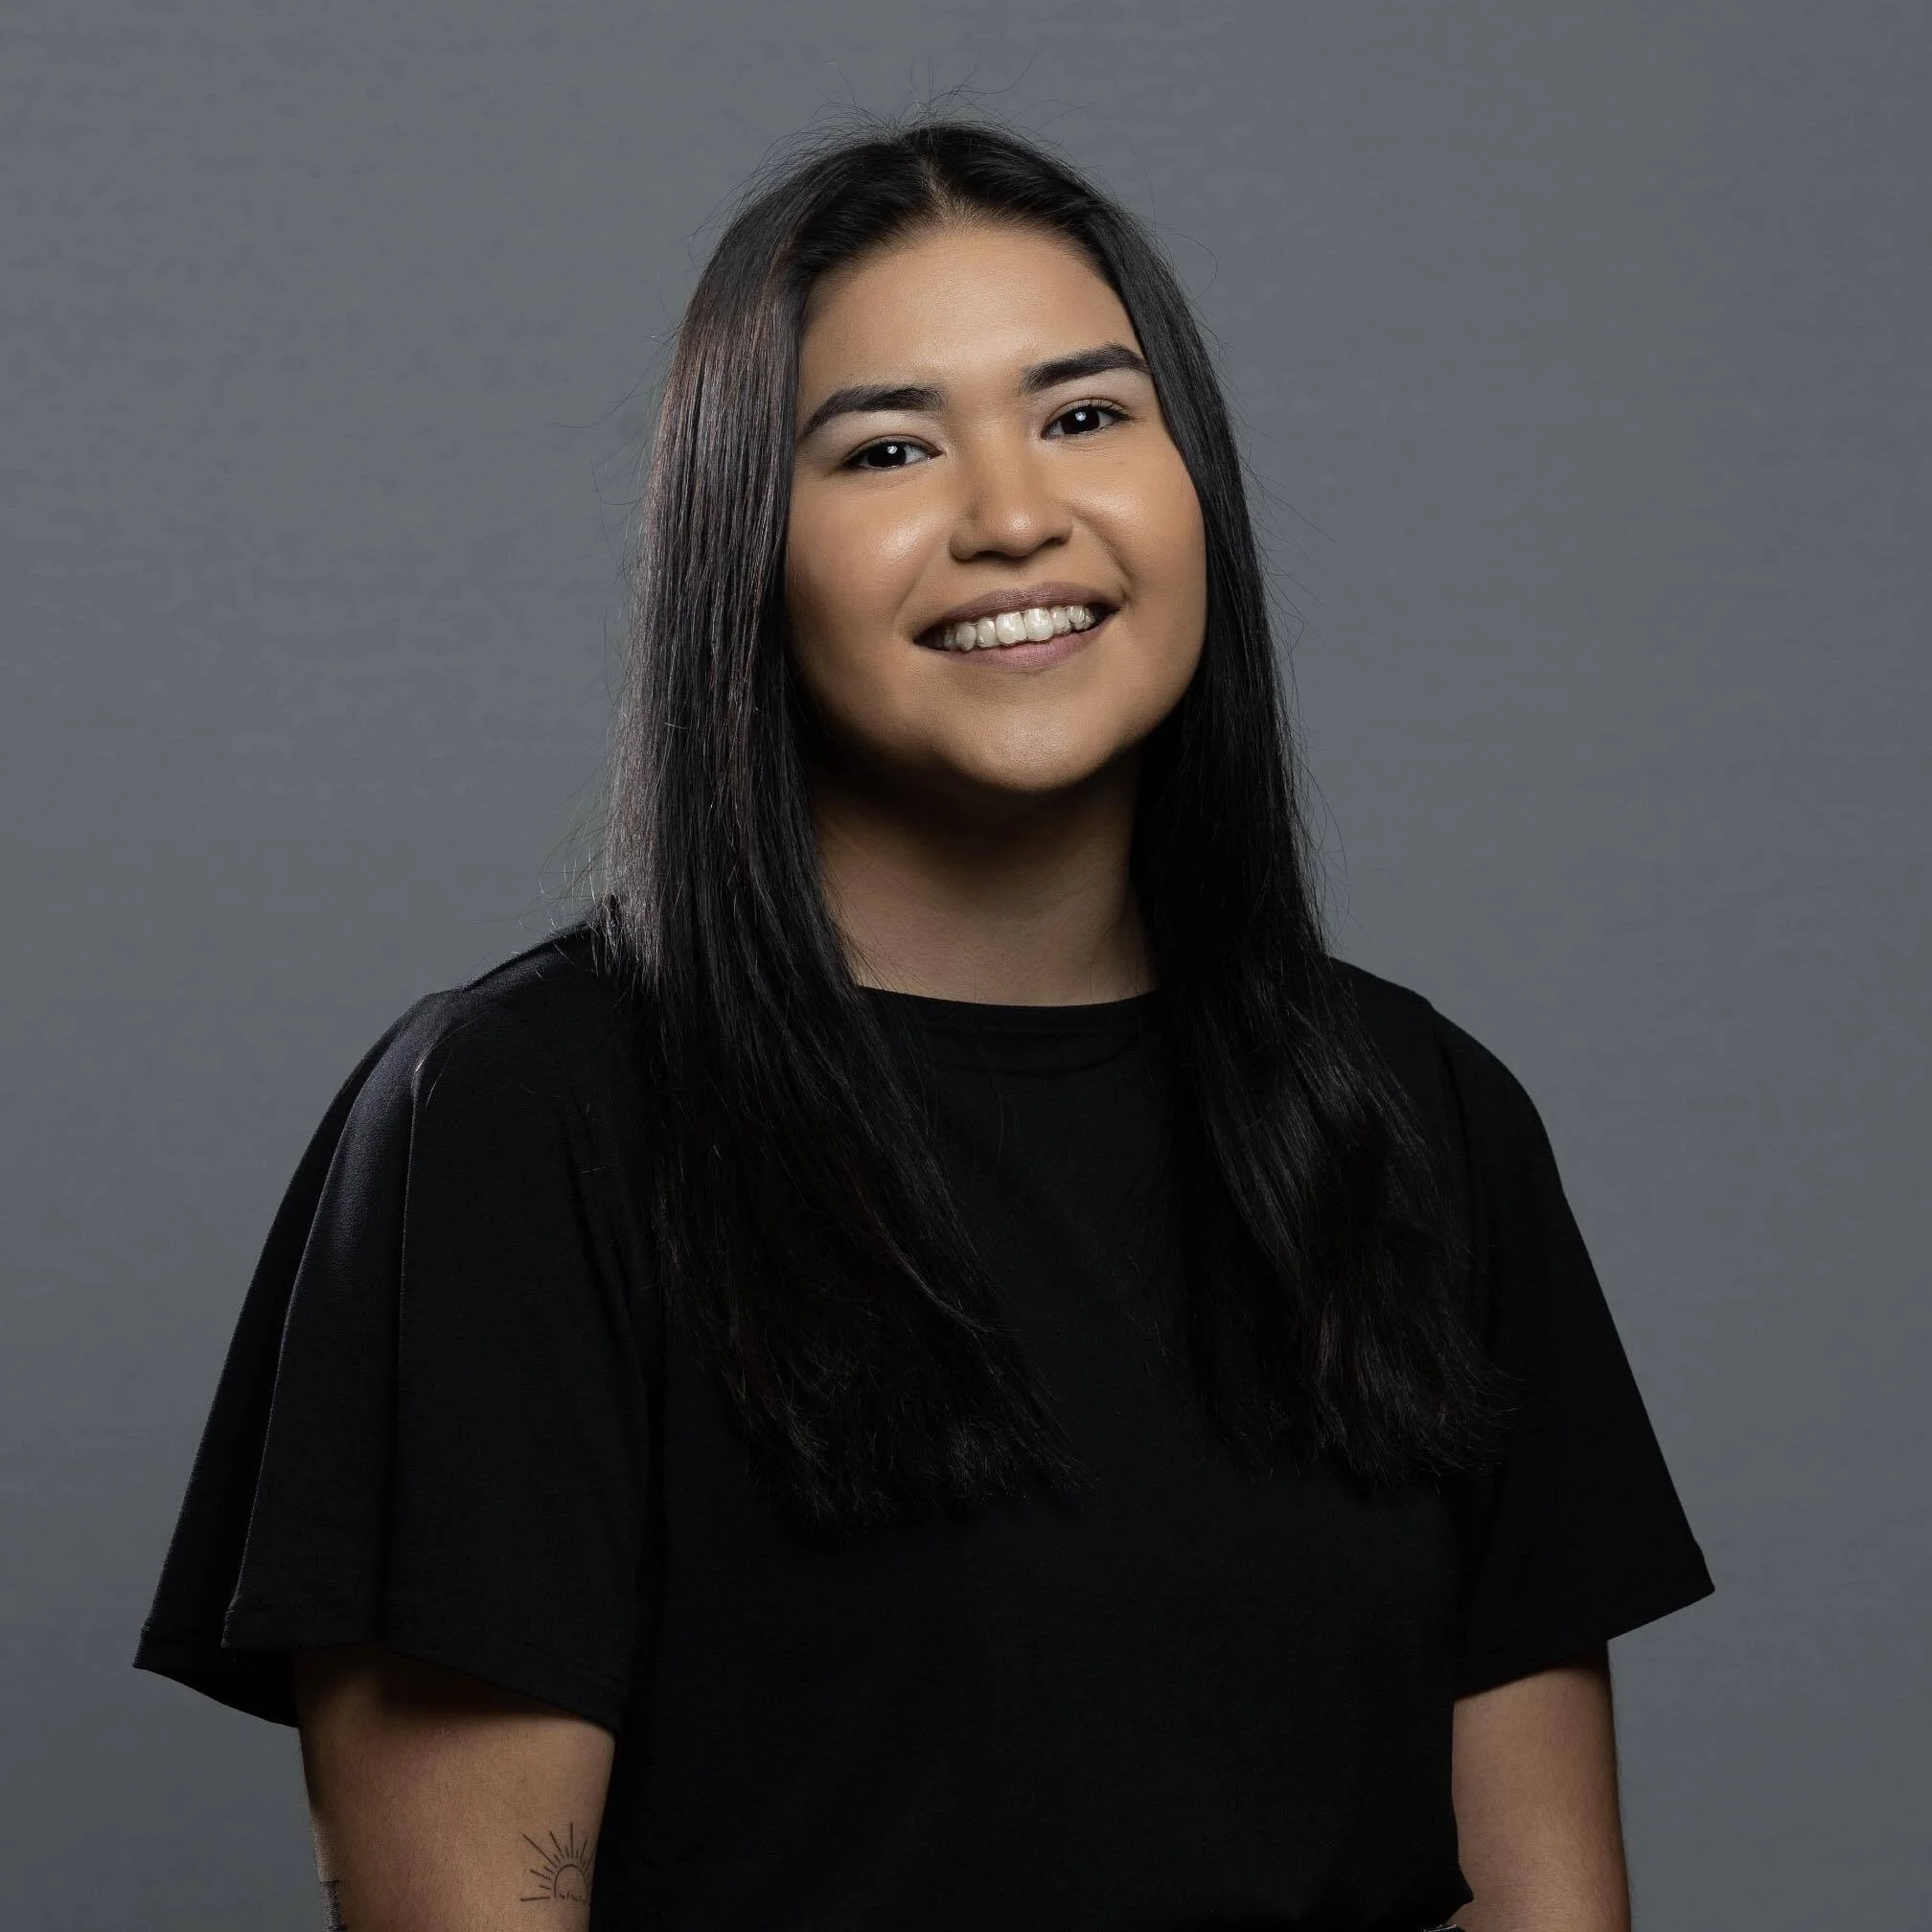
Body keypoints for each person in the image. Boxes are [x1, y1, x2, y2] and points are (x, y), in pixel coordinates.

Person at [133, 115, 1713, 1931]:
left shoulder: (1424, 1122)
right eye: (887, 446)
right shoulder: (516, 1127)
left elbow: (1542, 1906)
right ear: (747, 550)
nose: (1013, 512)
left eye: (1088, 414)